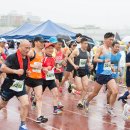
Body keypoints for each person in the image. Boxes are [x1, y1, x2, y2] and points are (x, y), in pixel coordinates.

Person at [84, 32, 118, 116]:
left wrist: (111, 67)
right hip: (101, 74)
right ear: (105, 39)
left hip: (109, 74)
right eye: (110, 39)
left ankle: (110, 108)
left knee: (115, 92)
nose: (111, 41)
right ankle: (86, 101)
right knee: (95, 93)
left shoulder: (110, 49)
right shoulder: (101, 48)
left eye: (112, 40)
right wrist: (103, 61)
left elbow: (108, 61)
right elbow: (95, 59)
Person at [0, 40, 31, 130]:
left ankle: (22, 125)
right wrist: (15, 71)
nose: (28, 50)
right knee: (2, 105)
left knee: (25, 104)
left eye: (29, 48)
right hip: (9, 85)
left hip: (20, 85)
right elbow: (2, 68)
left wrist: (27, 73)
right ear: (20, 47)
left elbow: (24, 70)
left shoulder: (27, 58)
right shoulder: (12, 57)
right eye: (26, 48)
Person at [25, 36, 48, 123]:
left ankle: (39, 116)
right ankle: (24, 109)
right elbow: (24, 62)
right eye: (41, 42)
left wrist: (43, 68)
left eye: (43, 42)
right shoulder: (31, 52)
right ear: (36, 42)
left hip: (38, 78)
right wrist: (31, 66)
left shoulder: (43, 53)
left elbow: (40, 65)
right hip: (29, 78)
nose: (43, 44)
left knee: (39, 97)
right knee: (24, 97)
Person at [68, 37, 92, 109]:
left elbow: (88, 62)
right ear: (81, 44)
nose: (86, 45)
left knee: (86, 87)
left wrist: (90, 65)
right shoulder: (76, 51)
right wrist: (74, 65)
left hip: (84, 71)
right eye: (85, 43)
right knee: (79, 88)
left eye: (87, 43)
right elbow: (69, 58)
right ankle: (72, 86)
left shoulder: (87, 53)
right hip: (77, 71)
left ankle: (80, 101)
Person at [42, 42, 63, 114]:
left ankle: (55, 109)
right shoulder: (43, 58)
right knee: (39, 96)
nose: (51, 50)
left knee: (55, 93)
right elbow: (39, 68)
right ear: (45, 49)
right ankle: (34, 101)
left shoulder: (53, 58)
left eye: (52, 48)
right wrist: (44, 68)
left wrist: (56, 69)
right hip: (43, 80)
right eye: (49, 48)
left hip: (51, 79)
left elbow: (53, 66)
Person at [106, 41, 121, 107]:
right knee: (110, 91)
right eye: (116, 47)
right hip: (109, 74)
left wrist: (119, 68)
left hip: (116, 74)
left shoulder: (119, 54)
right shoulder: (108, 54)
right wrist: (111, 68)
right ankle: (108, 102)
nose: (118, 48)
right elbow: (106, 64)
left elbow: (118, 63)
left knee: (115, 91)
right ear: (112, 47)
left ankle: (111, 106)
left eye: (118, 47)